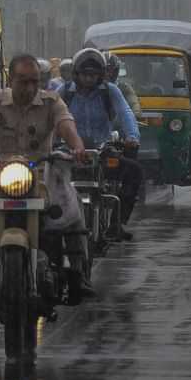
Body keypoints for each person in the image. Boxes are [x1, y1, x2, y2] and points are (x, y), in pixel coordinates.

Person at [0, 54, 91, 304]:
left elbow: (67, 126)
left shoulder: (52, 102)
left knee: (72, 204)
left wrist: (78, 148)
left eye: (35, 81)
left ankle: (79, 273)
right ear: (10, 80)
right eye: (23, 81)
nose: (30, 87)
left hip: (41, 172)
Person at [59, 48, 145, 240]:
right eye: (85, 74)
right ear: (76, 74)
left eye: (94, 75)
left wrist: (132, 136)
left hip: (102, 151)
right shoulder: (64, 92)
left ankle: (117, 223)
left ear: (101, 75)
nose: (89, 79)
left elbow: (125, 113)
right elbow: (49, 114)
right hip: (68, 153)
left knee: (135, 172)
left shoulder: (110, 91)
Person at [106, 53, 142, 119]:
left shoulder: (124, 88)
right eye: (107, 70)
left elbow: (133, 102)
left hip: (119, 123)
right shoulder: (93, 87)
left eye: (113, 70)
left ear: (117, 71)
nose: (110, 74)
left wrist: (135, 114)